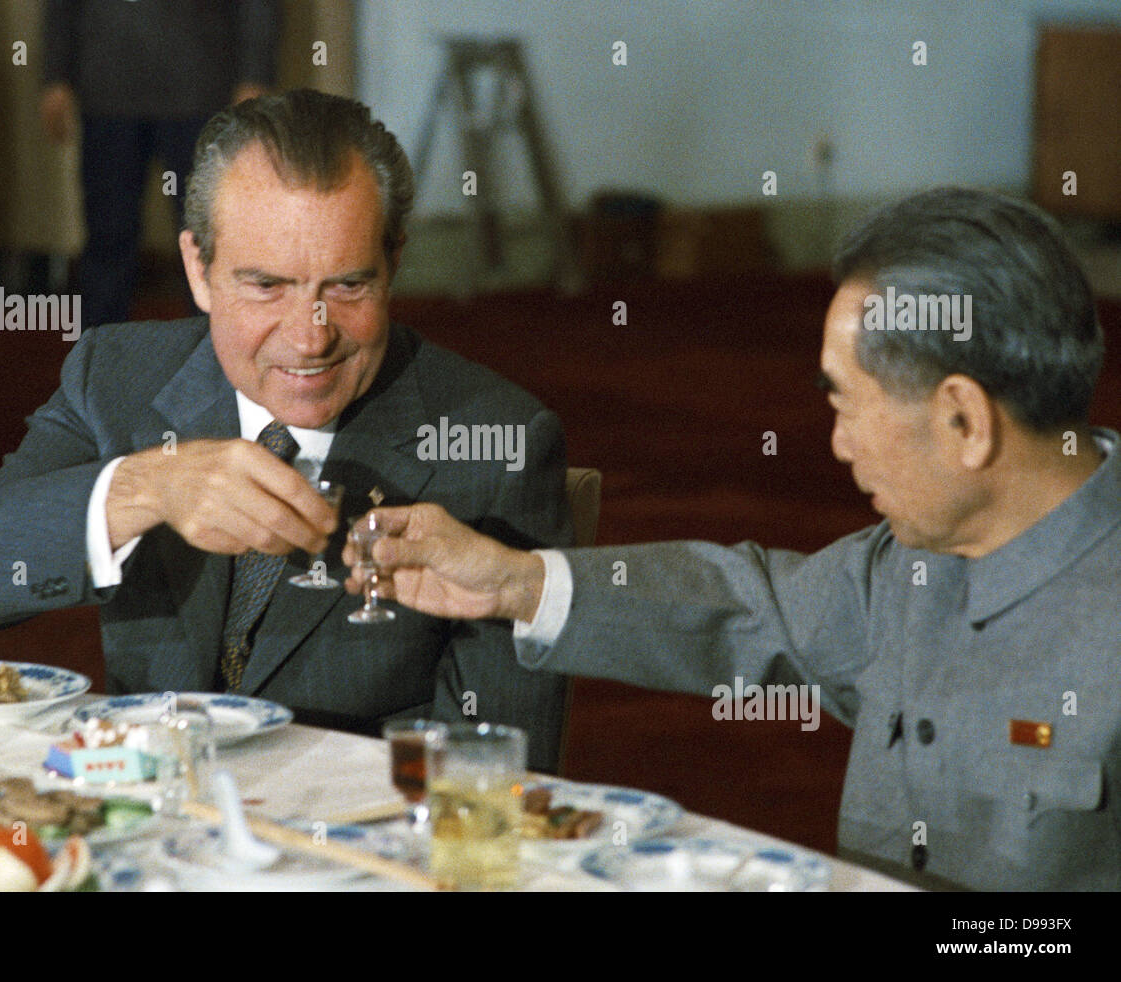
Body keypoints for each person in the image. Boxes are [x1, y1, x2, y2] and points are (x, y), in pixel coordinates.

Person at [345, 187, 1120, 890]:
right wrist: (514, 583)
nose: (840, 444)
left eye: (847, 405)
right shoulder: (914, 565)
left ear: (965, 420)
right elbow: (747, 607)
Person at [0, 90, 573, 771]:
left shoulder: (498, 442)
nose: (309, 337)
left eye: (348, 287)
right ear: (198, 271)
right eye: (267, 286)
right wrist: (144, 489)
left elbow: (499, 778)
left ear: (394, 263)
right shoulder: (117, 376)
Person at [41, 0, 280, 327]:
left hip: (200, 86)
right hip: (108, 87)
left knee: (207, 238)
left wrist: (255, 75)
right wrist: (56, 75)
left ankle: (217, 359)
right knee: (107, 236)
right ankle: (99, 359)